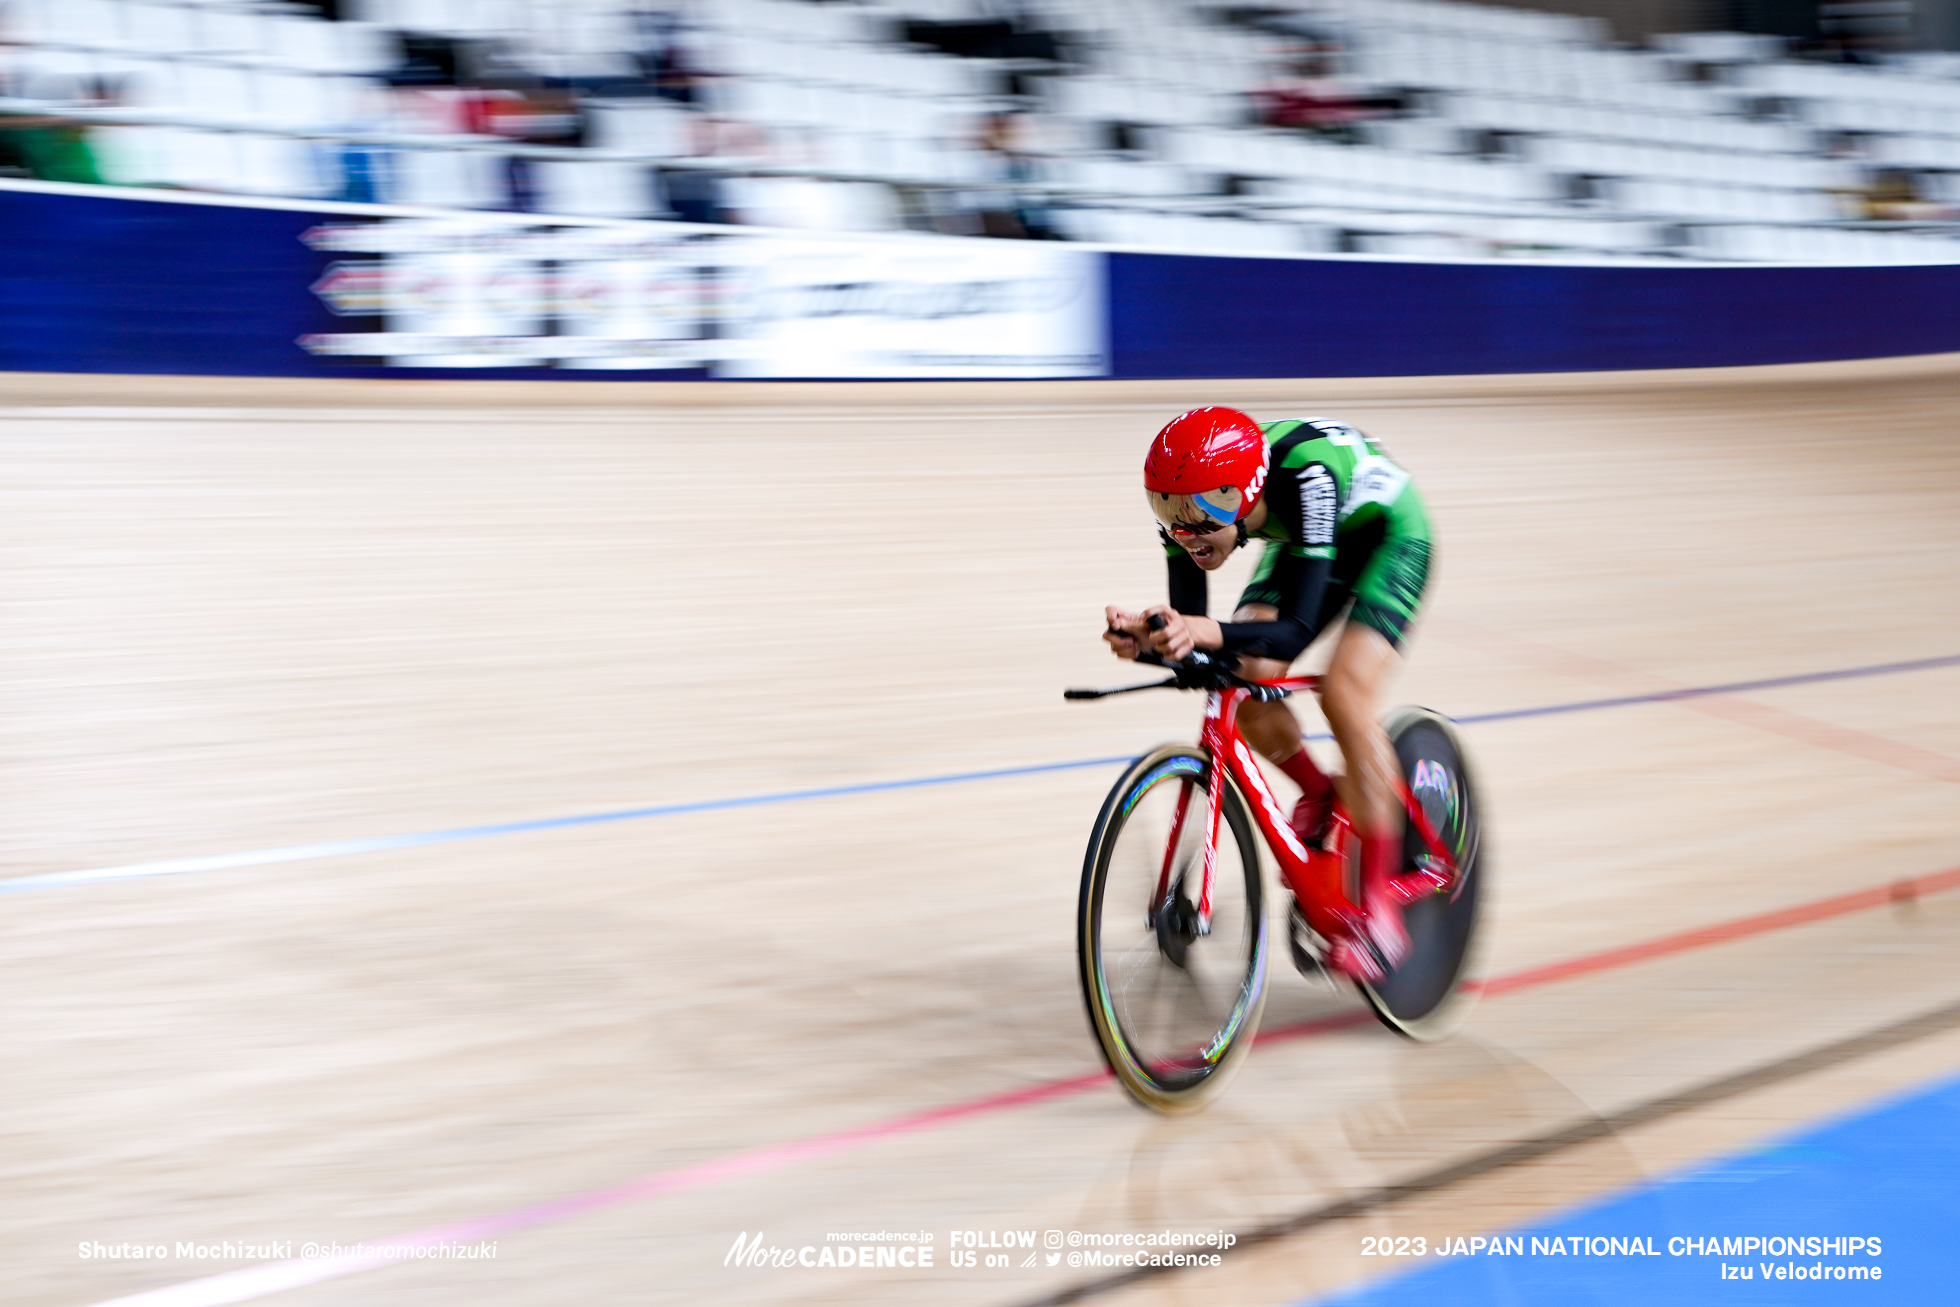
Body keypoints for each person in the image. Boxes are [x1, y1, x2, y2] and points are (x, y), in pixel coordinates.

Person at [1103, 407, 1432, 982]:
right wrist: (1155, 642)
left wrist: (1205, 632)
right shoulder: (1191, 512)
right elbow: (1201, 641)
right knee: (1241, 674)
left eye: (1206, 515)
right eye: (1169, 512)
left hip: (1387, 537)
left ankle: (1378, 909)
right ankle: (1320, 789)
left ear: (1247, 490)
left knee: (1345, 697)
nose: (1188, 532)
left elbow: (1297, 629)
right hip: (1309, 542)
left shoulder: (1307, 479)